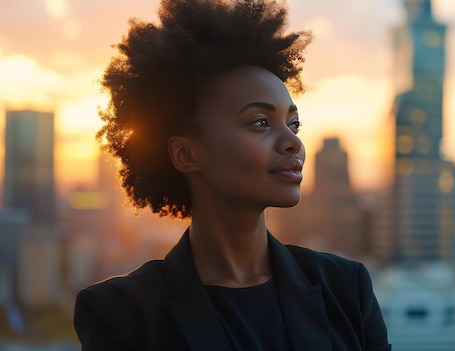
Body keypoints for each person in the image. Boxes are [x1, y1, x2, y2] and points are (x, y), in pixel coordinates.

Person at [73, 0, 391, 350]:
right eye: (259, 122)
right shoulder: (120, 314)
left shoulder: (346, 289)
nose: (292, 142)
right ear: (186, 154)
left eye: (293, 123)